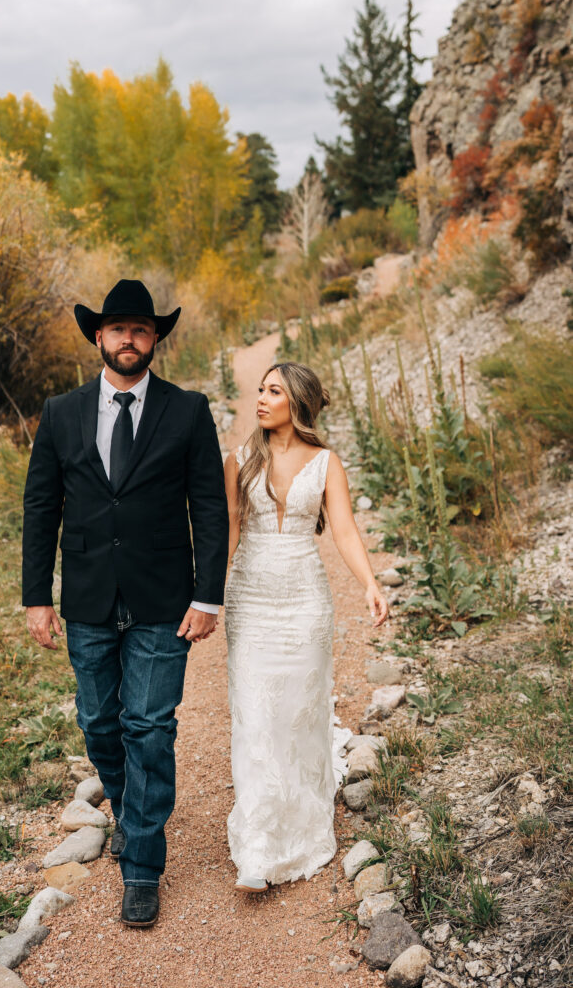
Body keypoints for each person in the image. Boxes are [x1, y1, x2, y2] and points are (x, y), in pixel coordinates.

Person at [22, 279, 229, 927]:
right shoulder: (60, 413)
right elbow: (40, 507)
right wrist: (36, 597)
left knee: (148, 725)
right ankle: (129, 802)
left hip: (163, 599)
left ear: (155, 339)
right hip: (85, 596)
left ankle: (141, 862)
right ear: (98, 337)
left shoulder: (187, 410)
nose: (129, 340)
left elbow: (210, 508)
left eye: (141, 330)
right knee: (99, 724)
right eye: (118, 329)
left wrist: (207, 595)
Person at [223, 361, 389, 892]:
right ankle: (258, 846)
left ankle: (301, 826)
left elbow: (342, 529)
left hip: (305, 600)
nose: (261, 398)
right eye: (260, 389)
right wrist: (203, 595)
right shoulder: (240, 460)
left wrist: (369, 583)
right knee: (254, 714)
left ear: (298, 402)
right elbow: (228, 528)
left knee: (297, 712)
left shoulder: (325, 462)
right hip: (249, 596)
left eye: (274, 391)